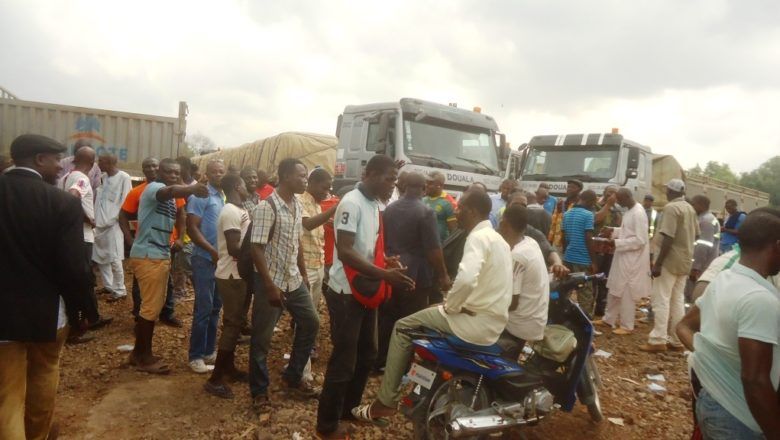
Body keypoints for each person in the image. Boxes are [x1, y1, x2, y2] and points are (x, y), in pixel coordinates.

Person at [349, 189, 513, 428]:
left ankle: (385, 401)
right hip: (492, 323)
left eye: (461, 207)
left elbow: (467, 280)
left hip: (472, 324)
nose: (456, 211)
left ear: (474, 211)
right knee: (430, 312)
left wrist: (451, 306)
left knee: (402, 326)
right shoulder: (499, 240)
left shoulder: (477, 238)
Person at [0, 134, 92, 440]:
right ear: (39, 160)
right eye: (56, 161)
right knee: (44, 374)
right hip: (48, 314)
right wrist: (83, 309)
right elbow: (73, 267)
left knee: (7, 396)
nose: (60, 168)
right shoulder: (62, 202)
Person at [316, 155, 414, 439]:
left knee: (368, 353)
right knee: (344, 360)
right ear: (369, 174)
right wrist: (384, 275)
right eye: (389, 179)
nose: (392, 185)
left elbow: (366, 249)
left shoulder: (374, 205)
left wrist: (386, 261)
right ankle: (326, 426)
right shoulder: (351, 203)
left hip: (365, 289)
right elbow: (346, 251)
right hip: (346, 292)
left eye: (395, 180)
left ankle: (348, 410)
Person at [676, 208, 780, 439]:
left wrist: (712, 358)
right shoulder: (759, 299)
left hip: (711, 403)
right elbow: (755, 380)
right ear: (777, 246)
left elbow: (683, 326)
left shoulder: (726, 279)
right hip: (740, 420)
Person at [249, 158, 320, 412]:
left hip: (292, 279)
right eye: (301, 176)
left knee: (311, 322)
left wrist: (301, 273)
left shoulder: (297, 205)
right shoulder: (267, 207)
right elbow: (256, 247)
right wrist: (269, 286)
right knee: (262, 340)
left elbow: (296, 242)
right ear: (286, 177)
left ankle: (292, 376)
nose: (305, 180)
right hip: (272, 280)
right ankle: (259, 392)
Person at [127, 159, 208, 374]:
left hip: (158, 254)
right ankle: (142, 357)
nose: (173, 175)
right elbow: (169, 190)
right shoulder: (156, 188)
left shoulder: (172, 198)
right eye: (168, 172)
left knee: (153, 306)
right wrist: (191, 188)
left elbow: (177, 213)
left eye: (176, 173)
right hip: (149, 256)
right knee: (151, 308)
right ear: (160, 173)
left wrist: (175, 241)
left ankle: (138, 353)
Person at [376, 172, 452, 370]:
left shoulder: (389, 209)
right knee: (410, 320)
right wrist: (443, 274)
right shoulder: (426, 212)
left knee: (387, 317)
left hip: (391, 270)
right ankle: (401, 364)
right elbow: (433, 249)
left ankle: (380, 360)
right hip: (416, 275)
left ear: (404, 186)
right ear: (424, 188)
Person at [119, 157, 183, 327]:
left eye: (154, 165)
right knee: (142, 287)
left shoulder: (172, 190)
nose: (151, 169)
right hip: (147, 249)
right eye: (148, 166)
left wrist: (180, 238)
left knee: (166, 283)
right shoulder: (141, 191)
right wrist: (129, 239)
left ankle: (166, 314)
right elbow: (123, 215)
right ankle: (140, 320)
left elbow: (181, 214)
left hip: (166, 247)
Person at [203, 174, 251, 398]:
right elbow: (234, 248)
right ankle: (215, 380)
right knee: (233, 324)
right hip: (232, 274)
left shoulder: (238, 209)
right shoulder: (231, 211)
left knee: (235, 322)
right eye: (244, 184)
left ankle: (229, 369)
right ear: (237, 186)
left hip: (237, 274)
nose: (247, 187)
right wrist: (257, 252)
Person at [640, 179, 699, 352]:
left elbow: (668, 237)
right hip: (685, 261)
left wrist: (658, 263)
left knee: (661, 299)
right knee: (677, 300)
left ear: (671, 191)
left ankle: (658, 339)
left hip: (668, 261)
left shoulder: (671, 208)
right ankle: (677, 339)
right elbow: (696, 235)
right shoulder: (690, 208)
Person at [60, 145, 112, 340]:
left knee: (84, 278)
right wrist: (87, 218)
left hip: (73, 237)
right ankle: (79, 326)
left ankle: (91, 316)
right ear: (92, 163)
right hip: (82, 237)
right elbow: (72, 198)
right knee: (82, 280)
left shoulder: (65, 177)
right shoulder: (81, 179)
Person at [186, 160, 227, 373]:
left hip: (220, 260)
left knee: (215, 307)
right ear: (207, 174)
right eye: (214, 172)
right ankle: (195, 356)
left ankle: (209, 349)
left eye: (221, 171)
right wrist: (211, 251)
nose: (218, 174)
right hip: (204, 258)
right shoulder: (200, 195)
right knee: (203, 308)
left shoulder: (222, 196)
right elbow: (192, 229)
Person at [496, 204, 549, 360]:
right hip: (534, 318)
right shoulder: (530, 242)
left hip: (519, 324)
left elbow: (512, 303)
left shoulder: (518, 255)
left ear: (504, 224)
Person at [598, 188, 650, 334]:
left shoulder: (638, 213)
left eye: (619, 200)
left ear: (627, 197)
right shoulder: (629, 211)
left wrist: (616, 243)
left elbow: (640, 240)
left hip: (632, 259)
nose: (618, 203)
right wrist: (613, 231)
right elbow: (627, 232)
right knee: (614, 286)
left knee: (627, 292)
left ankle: (627, 326)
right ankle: (608, 319)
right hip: (622, 256)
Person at [92, 154, 132, 301]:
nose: (98, 163)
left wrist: (114, 219)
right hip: (99, 223)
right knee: (100, 256)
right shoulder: (104, 177)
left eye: (101, 161)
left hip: (113, 223)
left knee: (115, 257)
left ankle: (120, 290)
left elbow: (125, 200)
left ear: (109, 163)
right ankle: (109, 286)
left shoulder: (124, 177)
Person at [561, 189, 598, 316]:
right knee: (585, 294)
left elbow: (564, 238)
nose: (594, 205)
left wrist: (565, 256)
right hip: (582, 259)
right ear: (589, 201)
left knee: (566, 291)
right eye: (593, 202)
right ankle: (586, 324)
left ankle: (563, 319)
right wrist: (593, 261)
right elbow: (588, 238)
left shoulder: (567, 214)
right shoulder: (588, 215)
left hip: (568, 259)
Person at [171, 156, 197, 299]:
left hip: (187, 233)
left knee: (186, 264)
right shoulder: (178, 185)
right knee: (178, 263)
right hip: (176, 231)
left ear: (186, 168)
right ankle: (179, 289)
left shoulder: (194, 187)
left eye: (178, 170)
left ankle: (187, 290)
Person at [687, 195, 720, 300]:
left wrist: (695, 267)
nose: (691, 207)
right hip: (705, 263)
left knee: (693, 294)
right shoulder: (708, 218)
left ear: (701, 205)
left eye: (693, 204)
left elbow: (703, 246)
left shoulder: (706, 221)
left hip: (702, 265)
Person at [423, 171, 457, 242]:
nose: (426, 185)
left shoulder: (448, 202)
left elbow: (453, 231)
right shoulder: (423, 200)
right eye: (426, 182)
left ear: (440, 186)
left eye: (430, 183)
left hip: (440, 247)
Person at [549, 179, 583, 249]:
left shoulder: (581, 205)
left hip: (573, 245)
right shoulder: (561, 203)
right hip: (557, 243)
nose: (569, 189)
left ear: (579, 190)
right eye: (568, 187)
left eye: (573, 187)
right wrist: (550, 240)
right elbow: (553, 223)